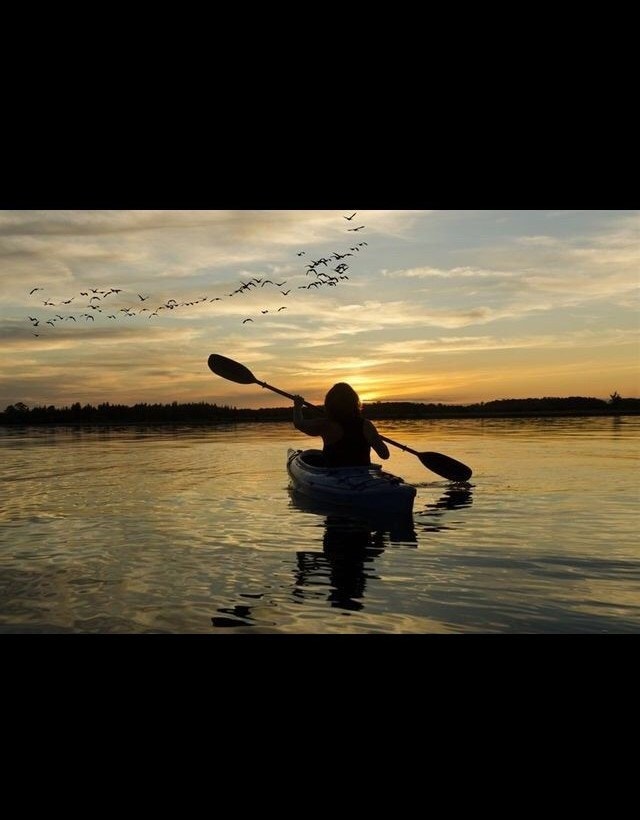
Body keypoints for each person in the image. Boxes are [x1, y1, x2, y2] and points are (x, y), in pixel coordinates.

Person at [292, 382, 390, 467]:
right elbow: (384, 455)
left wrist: (297, 407)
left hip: (335, 478)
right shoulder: (366, 425)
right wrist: (374, 437)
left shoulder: (326, 425)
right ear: (355, 403)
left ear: (329, 404)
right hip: (363, 474)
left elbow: (299, 424)